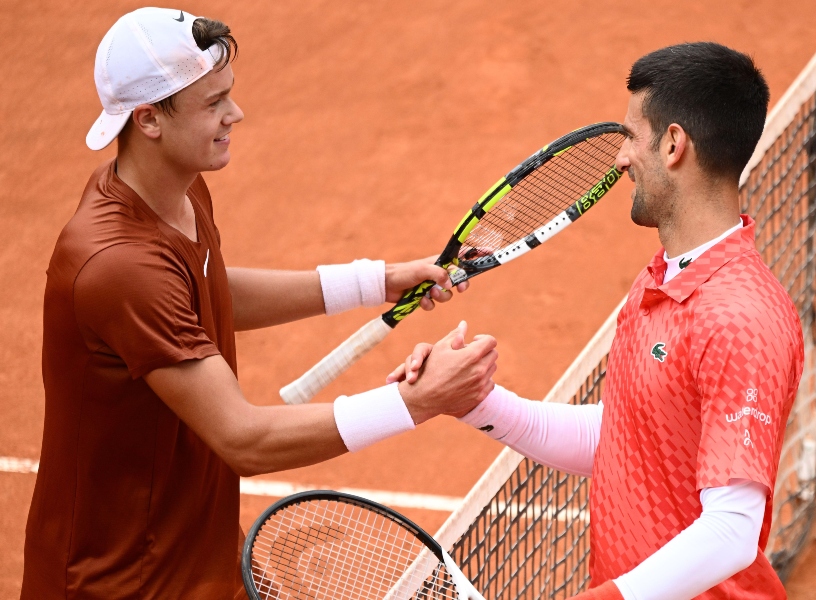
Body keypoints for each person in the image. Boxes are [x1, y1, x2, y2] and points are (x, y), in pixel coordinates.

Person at [22, 8, 494, 599]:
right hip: (123, 583)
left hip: (195, 551)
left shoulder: (174, 189)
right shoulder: (117, 264)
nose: (234, 114)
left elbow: (207, 290)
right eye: (214, 103)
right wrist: (415, 402)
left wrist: (378, 280)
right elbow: (244, 438)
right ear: (148, 120)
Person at [386, 43, 805, 599]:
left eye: (631, 137)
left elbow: (732, 532)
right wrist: (472, 401)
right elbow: (626, 437)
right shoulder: (660, 282)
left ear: (675, 144)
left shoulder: (741, 318)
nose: (619, 159)